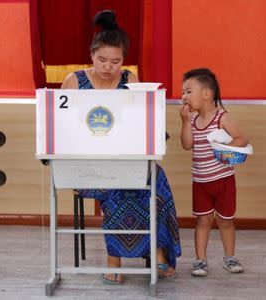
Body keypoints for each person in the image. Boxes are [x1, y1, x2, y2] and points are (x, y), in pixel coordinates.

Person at [61, 10, 181, 284]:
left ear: (123, 60)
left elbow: (141, 124)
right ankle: (114, 258)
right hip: (88, 164)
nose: (108, 67)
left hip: (126, 159)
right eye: (102, 60)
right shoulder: (74, 82)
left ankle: (159, 249)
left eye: (115, 61)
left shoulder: (131, 81)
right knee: (117, 186)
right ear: (91, 55)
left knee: (155, 178)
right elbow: (62, 127)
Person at [179, 68, 248, 277]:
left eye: (188, 91)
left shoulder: (221, 118)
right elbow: (187, 145)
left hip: (223, 180)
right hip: (200, 181)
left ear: (207, 94)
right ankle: (200, 260)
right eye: (183, 92)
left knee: (226, 221)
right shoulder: (191, 121)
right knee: (202, 221)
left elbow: (242, 139)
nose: (184, 96)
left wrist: (225, 148)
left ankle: (230, 257)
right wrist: (184, 122)